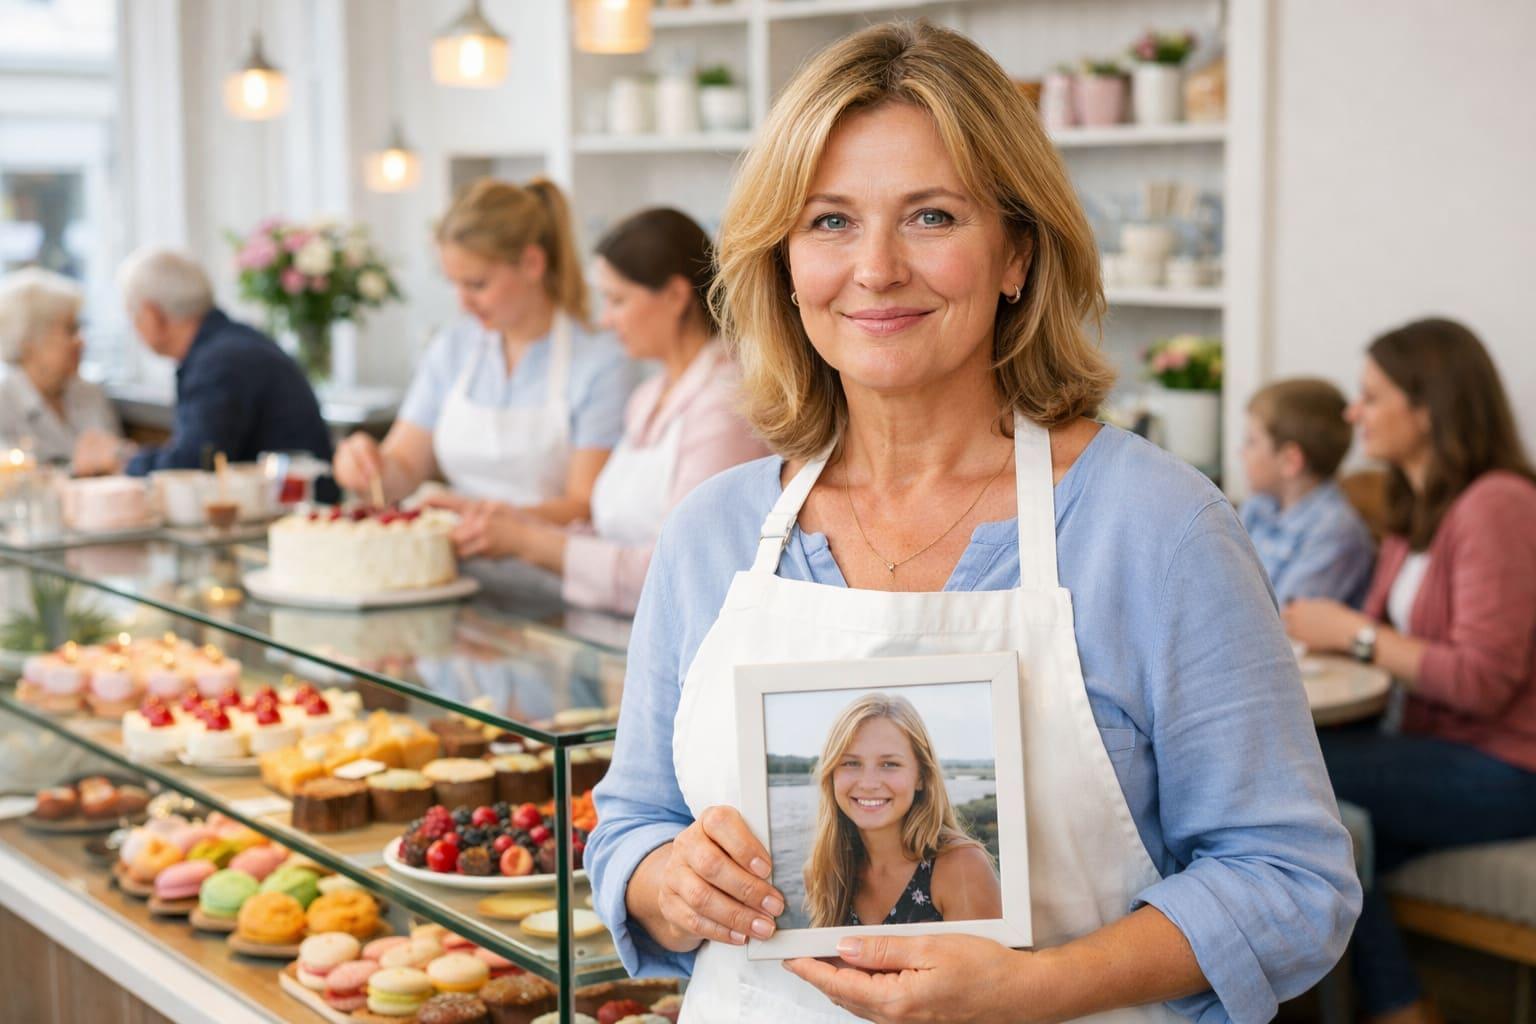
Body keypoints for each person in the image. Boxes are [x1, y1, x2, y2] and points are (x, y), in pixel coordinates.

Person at [587, 21, 1359, 1024]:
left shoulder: (1155, 526)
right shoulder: (712, 531)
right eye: (828, 221)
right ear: (780, 263)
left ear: (1017, 255)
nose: (875, 268)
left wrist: (1037, 986)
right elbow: (630, 825)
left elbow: (1290, 877)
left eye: (932, 216)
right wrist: (667, 880)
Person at [1284, 318, 1536, 1024]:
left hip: (1508, 768)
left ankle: (1398, 1007)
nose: (1352, 413)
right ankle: (1401, 1005)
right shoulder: (1416, 506)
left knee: (1302, 784)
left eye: (1370, 396)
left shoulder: (1499, 505)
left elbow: (1482, 678)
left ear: (1427, 407)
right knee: (1334, 846)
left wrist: (1355, 633)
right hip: (1438, 754)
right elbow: (1374, 642)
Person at [434, 208, 768, 615]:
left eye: (618, 300)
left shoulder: (726, 405)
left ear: (676, 296)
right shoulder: (649, 397)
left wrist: (526, 542)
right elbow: (610, 534)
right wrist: (515, 521)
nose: (606, 320)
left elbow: (680, 569)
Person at [332, 178, 639, 525]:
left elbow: (584, 506)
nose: (463, 304)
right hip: (455, 564)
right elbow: (403, 468)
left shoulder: (601, 361)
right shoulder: (453, 348)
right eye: (455, 285)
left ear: (532, 264)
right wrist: (365, 465)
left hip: (550, 572)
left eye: (477, 285)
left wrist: (488, 522)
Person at [113, 248, 332, 475]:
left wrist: (124, 458)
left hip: (298, 503)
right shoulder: (230, 344)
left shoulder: (218, 364)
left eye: (133, 316)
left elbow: (193, 467)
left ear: (152, 315)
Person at [805, 693, 999, 929]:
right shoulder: (823, 873)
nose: (868, 783)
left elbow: (993, 966)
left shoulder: (960, 867)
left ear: (921, 776)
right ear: (831, 774)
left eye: (889, 764)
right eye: (850, 763)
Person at [1239, 378, 1375, 607]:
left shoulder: (1335, 531)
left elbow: (1287, 621)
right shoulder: (1257, 506)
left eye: (1251, 442)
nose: (1241, 453)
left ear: (1290, 460)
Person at [0, 267, 122, 471]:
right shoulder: (5, 402)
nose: (81, 341)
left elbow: (118, 464)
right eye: (70, 330)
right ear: (30, 340)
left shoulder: (90, 393)